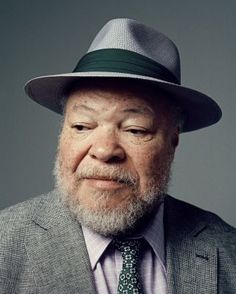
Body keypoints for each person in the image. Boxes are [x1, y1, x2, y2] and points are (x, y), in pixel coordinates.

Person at [0, 18, 235, 294]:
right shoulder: (5, 247)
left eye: (134, 130)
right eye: (81, 126)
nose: (104, 150)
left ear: (173, 140)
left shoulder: (227, 252)